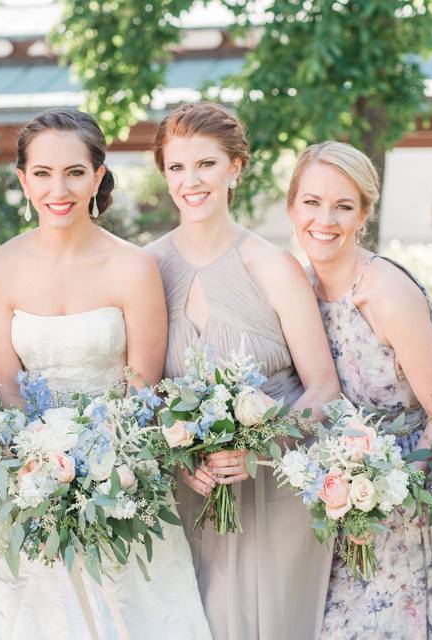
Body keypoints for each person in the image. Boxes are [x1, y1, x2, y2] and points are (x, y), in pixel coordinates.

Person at [0, 108, 211, 640]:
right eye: (44, 173)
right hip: (32, 482)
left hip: (123, 477)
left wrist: (103, 469)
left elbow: (142, 389)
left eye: (75, 172)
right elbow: (8, 388)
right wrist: (43, 471)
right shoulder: (0, 269)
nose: (60, 188)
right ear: (23, 180)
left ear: (98, 177)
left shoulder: (133, 267)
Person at [286, 140, 432, 638]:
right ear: (291, 206)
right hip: (346, 505)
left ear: (364, 214)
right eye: (312, 203)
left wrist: (389, 494)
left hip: (412, 504)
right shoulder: (297, 286)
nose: (325, 220)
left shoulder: (385, 292)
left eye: (344, 206)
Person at [144, 102, 340, 640]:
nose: (191, 181)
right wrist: (180, 455)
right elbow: (140, 391)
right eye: (177, 167)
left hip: (275, 484)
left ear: (235, 168)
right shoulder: (147, 267)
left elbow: (324, 386)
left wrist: (256, 446)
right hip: (191, 489)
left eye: (206, 164)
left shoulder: (272, 265)